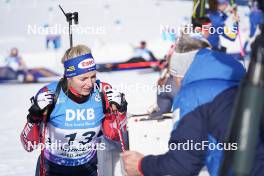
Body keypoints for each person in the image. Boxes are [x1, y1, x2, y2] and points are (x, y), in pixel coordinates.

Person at [122, 32, 264, 175]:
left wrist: (141, 165)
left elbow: (183, 164)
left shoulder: (193, 95)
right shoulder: (247, 83)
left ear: (180, 74)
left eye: (174, 77)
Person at [20, 45, 128, 176]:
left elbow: (114, 136)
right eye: (83, 79)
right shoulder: (51, 93)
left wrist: (121, 111)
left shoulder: (102, 92)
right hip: (52, 169)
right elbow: (29, 145)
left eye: (93, 76)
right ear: (69, 77)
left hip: (88, 169)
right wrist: (33, 117)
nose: (90, 84)